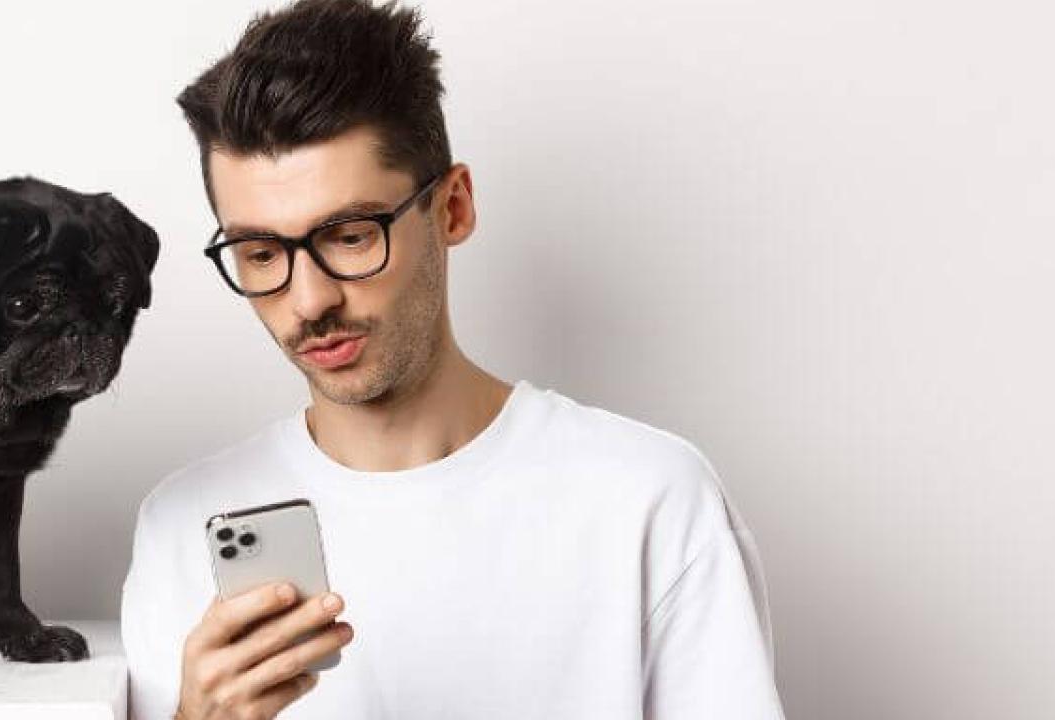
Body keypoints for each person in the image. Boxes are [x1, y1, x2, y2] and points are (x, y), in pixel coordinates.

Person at [117, 1, 787, 718]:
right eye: (261, 253)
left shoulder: (647, 497)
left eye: (348, 235)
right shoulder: (181, 527)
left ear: (453, 208)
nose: (308, 300)